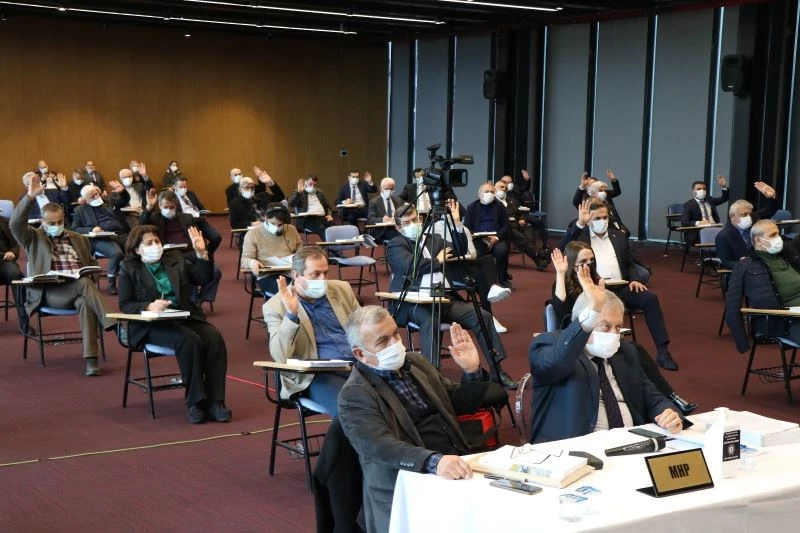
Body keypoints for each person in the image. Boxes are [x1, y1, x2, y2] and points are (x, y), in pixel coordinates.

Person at [338, 306, 502, 533]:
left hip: (454, 465)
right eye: (383, 341)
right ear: (360, 354)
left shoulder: (416, 362)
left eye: (395, 334)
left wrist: (472, 371)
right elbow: (378, 446)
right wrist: (434, 461)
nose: (395, 344)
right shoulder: (355, 393)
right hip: (407, 485)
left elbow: (457, 404)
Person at [528, 281, 686, 443]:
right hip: (573, 448)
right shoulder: (550, 345)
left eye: (618, 327)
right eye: (605, 326)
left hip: (630, 444)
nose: (614, 334)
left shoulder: (626, 352)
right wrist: (591, 314)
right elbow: (556, 362)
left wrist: (668, 413)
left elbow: (653, 398)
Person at [550, 242, 697, 414]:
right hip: (577, 340)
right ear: (572, 263)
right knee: (632, 353)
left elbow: (609, 312)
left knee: (635, 351)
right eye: (583, 261)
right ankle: (665, 399)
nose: (589, 264)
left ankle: (670, 397)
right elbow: (561, 313)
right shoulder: (562, 284)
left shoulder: (597, 281)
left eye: (591, 260)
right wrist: (561, 274)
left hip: (601, 333)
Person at [386, 203, 518, 389]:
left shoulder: (435, 239)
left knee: (482, 315)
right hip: (411, 301)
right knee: (431, 321)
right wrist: (437, 260)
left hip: (441, 298)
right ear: (398, 227)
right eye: (407, 222)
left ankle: (498, 372)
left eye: (415, 219)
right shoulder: (396, 245)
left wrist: (456, 224)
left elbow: (459, 250)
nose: (413, 224)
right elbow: (410, 267)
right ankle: (433, 379)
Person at [118, 224, 230, 424]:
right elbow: (125, 305)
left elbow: (203, 278)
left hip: (183, 316)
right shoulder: (128, 268)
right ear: (137, 249)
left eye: (157, 241)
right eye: (149, 243)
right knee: (189, 340)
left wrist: (202, 254)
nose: (155, 245)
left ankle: (215, 402)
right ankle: (195, 402)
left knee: (214, 338)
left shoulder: (174, 258)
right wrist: (149, 306)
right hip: (151, 325)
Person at [10, 175, 116, 376]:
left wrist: (90, 274)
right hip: (50, 293)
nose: (56, 225)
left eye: (60, 222)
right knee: (84, 284)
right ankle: (115, 325)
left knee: (85, 300)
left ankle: (91, 360)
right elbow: (15, 224)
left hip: (78, 289)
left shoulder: (78, 238)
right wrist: (30, 197)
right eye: (52, 222)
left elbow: (93, 265)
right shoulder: (33, 237)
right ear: (43, 222)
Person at [560, 199, 679, 370]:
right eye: (597, 218)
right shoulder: (581, 236)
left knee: (650, 298)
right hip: (596, 289)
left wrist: (635, 279)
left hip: (622, 287)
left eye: (605, 217)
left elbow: (630, 263)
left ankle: (663, 351)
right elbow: (563, 249)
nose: (602, 221)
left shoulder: (619, 236)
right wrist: (580, 224)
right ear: (589, 219)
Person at [262, 246, 359, 416]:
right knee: (351, 409)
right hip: (315, 376)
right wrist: (291, 315)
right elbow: (280, 356)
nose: (323, 279)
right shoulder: (275, 306)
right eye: (316, 274)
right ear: (296, 275)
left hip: (358, 364)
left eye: (325, 273)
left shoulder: (341, 289)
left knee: (396, 397)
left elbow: (364, 327)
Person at [725, 219, 800, 353]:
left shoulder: (785, 256)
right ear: (758, 240)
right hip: (786, 321)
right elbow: (732, 308)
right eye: (772, 235)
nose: (778, 238)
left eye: (778, 234)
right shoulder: (746, 266)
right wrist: (742, 343)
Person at [141, 189, 222, 306]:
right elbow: (141, 226)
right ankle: (193, 302)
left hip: (191, 252)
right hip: (171, 256)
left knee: (216, 273)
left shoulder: (186, 217)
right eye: (165, 207)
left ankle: (201, 299)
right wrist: (149, 208)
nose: (169, 210)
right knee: (185, 272)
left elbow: (196, 235)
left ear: (176, 206)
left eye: (172, 207)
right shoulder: (154, 218)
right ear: (160, 206)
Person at [72, 182, 130, 295]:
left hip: (121, 234)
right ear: (85, 200)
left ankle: (134, 280)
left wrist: (122, 192)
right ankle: (111, 284)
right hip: (101, 238)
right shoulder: (80, 210)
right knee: (117, 253)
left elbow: (124, 200)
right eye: (92, 196)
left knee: (136, 248)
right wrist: (91, 229)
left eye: (96, 193)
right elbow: (75, 229)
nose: (96, 197)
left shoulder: (108, 201)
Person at [241, 202, 303, 295]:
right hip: (267, 275)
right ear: (266, 218)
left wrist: (298, 257)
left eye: (280, 225)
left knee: (306, 290)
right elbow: (245, 259)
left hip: (290, 272)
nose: (276, 227)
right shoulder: (253, 234)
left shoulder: (291, 229)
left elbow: (300, 249)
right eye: (273, 223)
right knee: (286, 293)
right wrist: (252, 263)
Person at [715, 182, 779, 269]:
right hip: (744, 272)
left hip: (763, 265)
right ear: (733, 216)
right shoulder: (723, 236)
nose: (748, 217)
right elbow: (726, 262)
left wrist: (772, 197)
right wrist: (742, 264)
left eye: (750, 214)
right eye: (744, 214)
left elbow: (768, 210)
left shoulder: (752, 220)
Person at [463, 181, 512, 288]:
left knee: (502, 250)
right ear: (479, 194)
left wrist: (496, 237)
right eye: (486, 191)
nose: (489, 194)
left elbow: (506, 225)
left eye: (492, 192)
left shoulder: (499, 207)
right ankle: (478, 279)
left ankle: (503, 278)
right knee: (476, 254)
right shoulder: (472, 207)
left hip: (496, 238)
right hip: (478, 239)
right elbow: (466, 227)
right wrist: (480, 237)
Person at [494, 180, 549, 270]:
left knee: (527, 233)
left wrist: (522, 219)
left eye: (505, 188)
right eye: (501, 187)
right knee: (517, 235)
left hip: (518, 225)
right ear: (495, 189)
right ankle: (540, 255)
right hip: (505, 227)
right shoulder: (494, 202)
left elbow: (520, 213)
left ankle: (538, 260)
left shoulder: (510, 200)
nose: (504, 189)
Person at [172, 175, 222, 257]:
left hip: (199, 219)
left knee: (216, 238)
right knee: (201, 243)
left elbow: (200, 206)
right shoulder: (172, 197)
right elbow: (176, 215)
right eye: (181, 187)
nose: (183, 189)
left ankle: (208, 255)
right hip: (187, 223)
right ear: (174, 187)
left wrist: (204, 212)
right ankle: (204, 257)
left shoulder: (191, 193)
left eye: (185, 186)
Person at [0, 215, 30, 334]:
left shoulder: (4, 221)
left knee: (16, 274)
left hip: (4, 260)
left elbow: (15, 244)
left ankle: (24, 322)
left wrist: (12, 252)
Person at [680, 175, 729, 245]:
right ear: (693, 192)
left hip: (714, 226)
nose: (702, 190)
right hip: (700, 230)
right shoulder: (689, 205)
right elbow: (684, 222)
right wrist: (698, 223)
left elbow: (724, 198)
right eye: (699, 189)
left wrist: (723, 187)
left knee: (729, 235)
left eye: (704, 189)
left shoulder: (709, 200)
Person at [288, 174, 335, 241]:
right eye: (310, 184)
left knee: (334, 227)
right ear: (306, 182)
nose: (312, 186)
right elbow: (291, 204)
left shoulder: (320, 192)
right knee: (321, 228)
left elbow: (328, 206)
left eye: (315, 185)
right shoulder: (299, 192)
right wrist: (299, 193)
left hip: (321, 217)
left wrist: (329, 214)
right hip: (306, 219)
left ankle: (331, 244)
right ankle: (330, 246)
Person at [366, 177, 403, 242]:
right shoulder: (374, 202)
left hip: (397, 227)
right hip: (382, 230)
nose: (389, 191)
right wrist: (382, 220)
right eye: (387, 189)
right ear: (381, 188)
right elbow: (370, 220)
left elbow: (403, 216)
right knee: (398, 236)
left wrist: (397, 219)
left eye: (391, 189)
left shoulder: (398, 200)